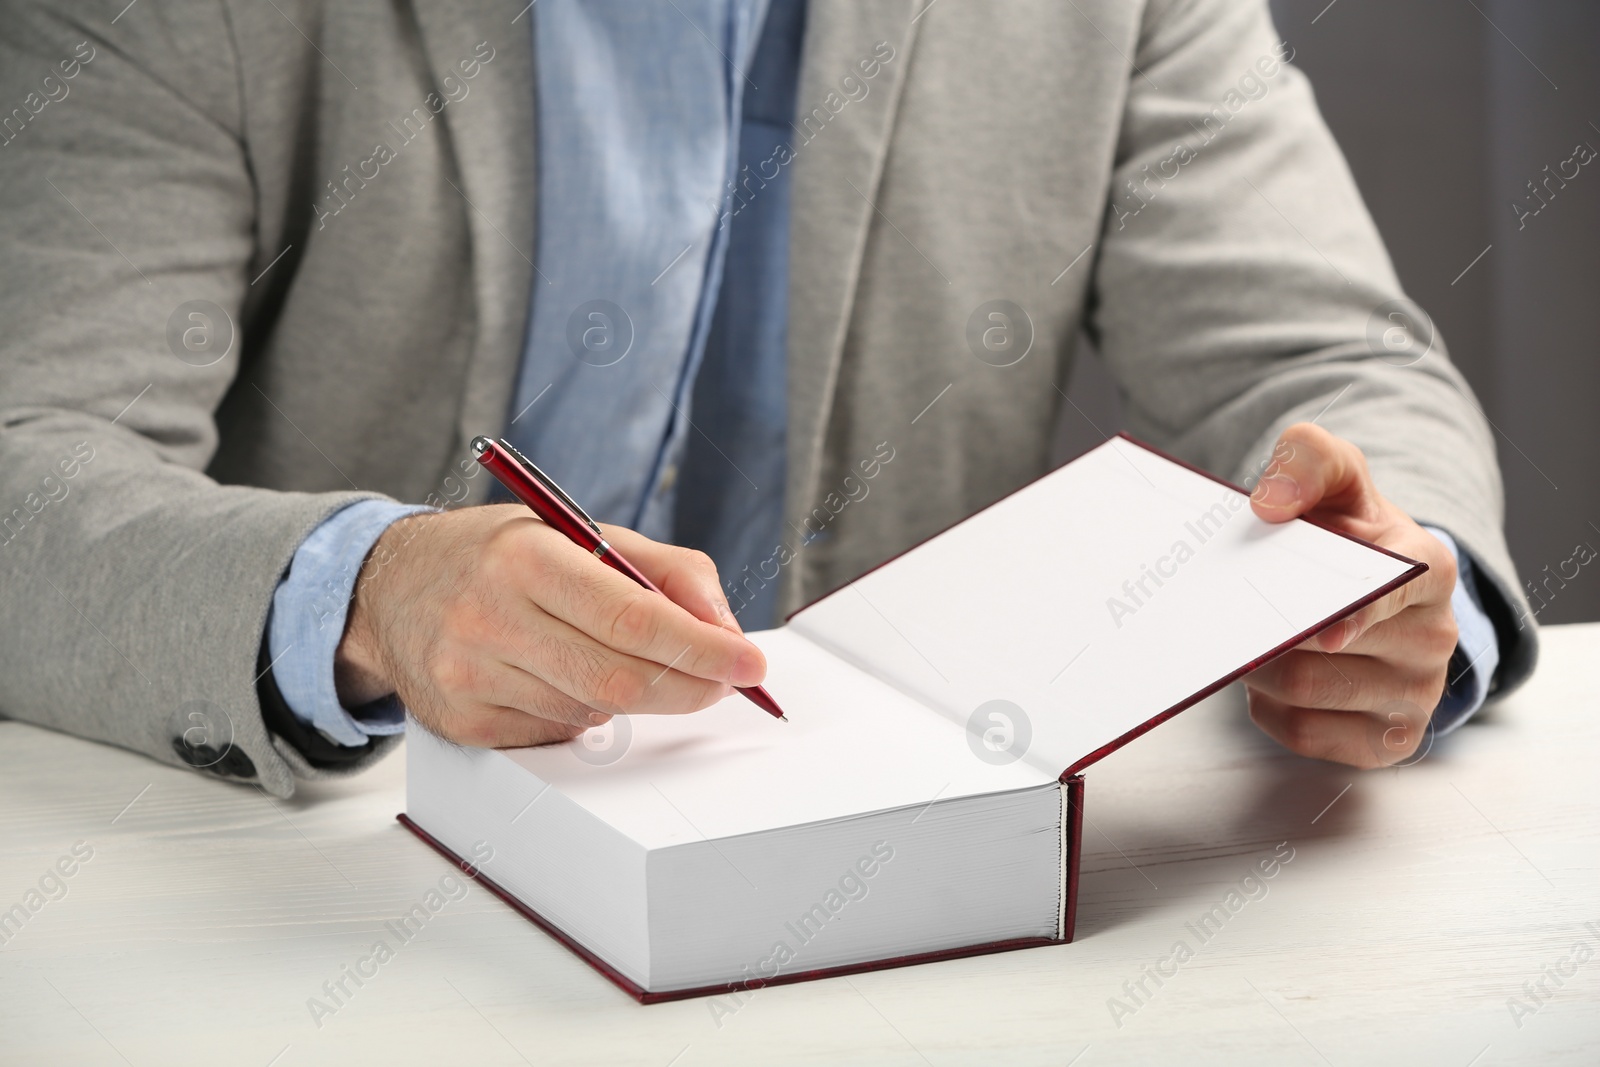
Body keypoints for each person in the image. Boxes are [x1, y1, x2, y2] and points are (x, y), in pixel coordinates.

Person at [0, 0, 1533, 798]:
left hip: (890, 897)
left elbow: (1335, 373)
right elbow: (28, 464)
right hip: (321, 883)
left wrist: (1399, 589)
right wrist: (367, 589)